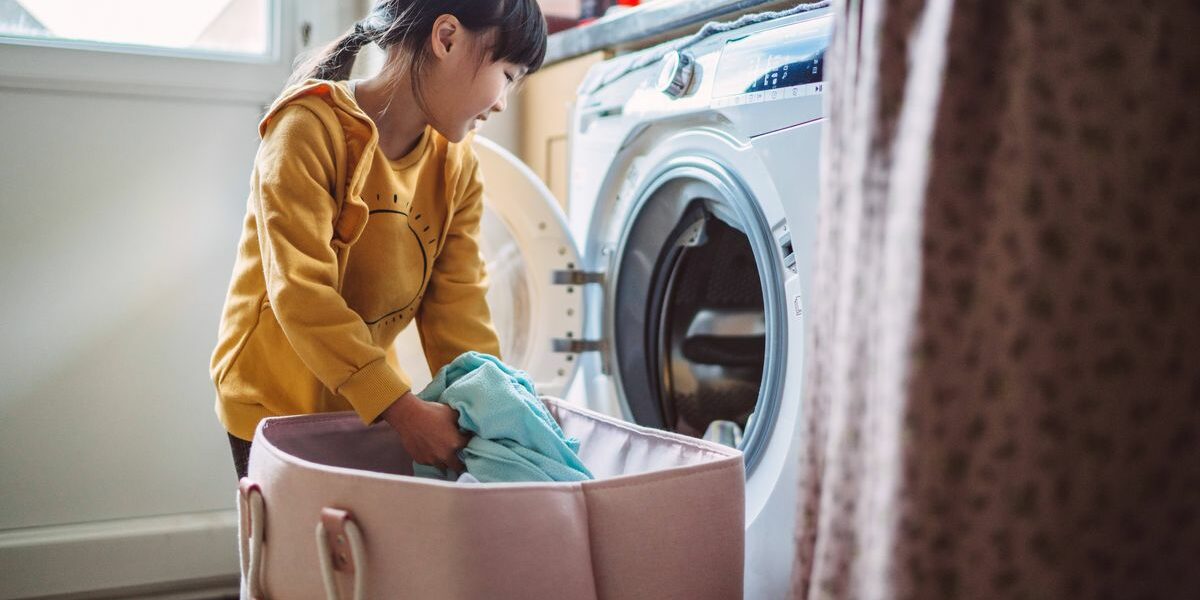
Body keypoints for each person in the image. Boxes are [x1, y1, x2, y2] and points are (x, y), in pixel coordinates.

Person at [210, 0, 547, 480]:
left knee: (358, 548)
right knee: (290, 551)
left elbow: (458, 305)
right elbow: (302, 293)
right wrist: (403, 410)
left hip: (362, 395)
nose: (501, 103)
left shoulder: (457, 167)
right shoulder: (307, 130)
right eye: (508, 75)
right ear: (446, 38)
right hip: (272, 398)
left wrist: (494, 403)